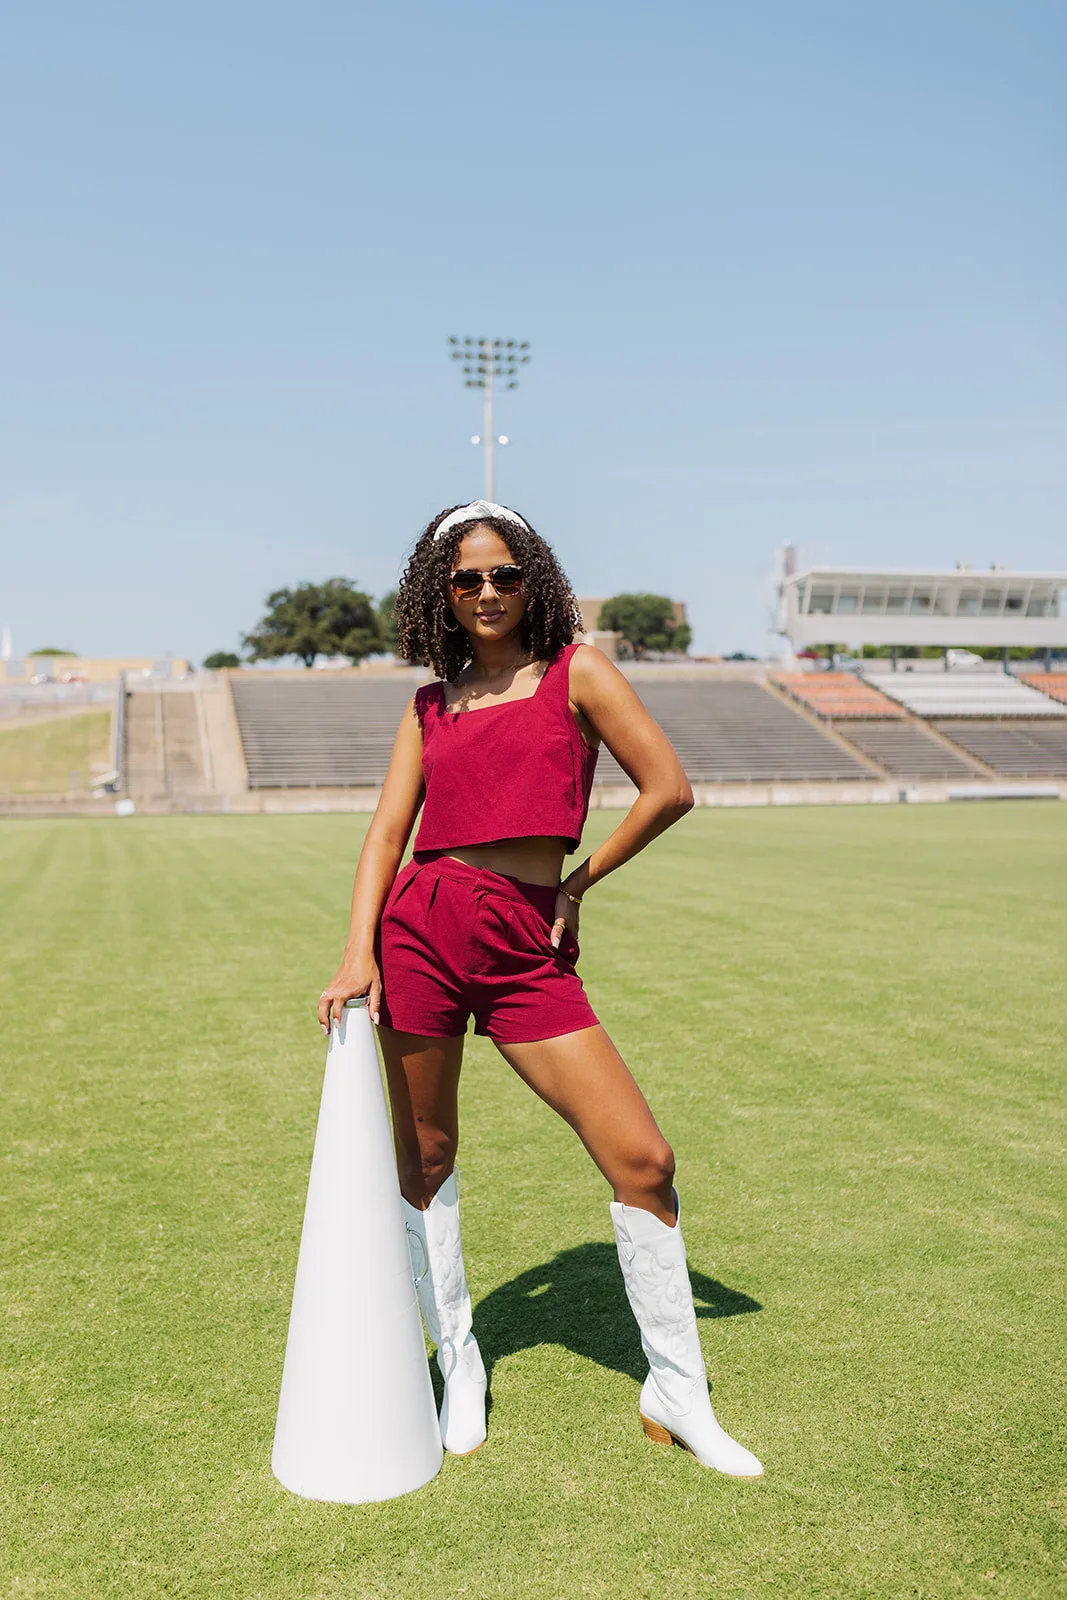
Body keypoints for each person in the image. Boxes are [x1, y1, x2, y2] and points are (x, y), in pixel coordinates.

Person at [318, 500, 762, 1479]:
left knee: (642, 1159)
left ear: (536, 581)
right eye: (465, 578)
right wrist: (359, 951)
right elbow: (384, 835)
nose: (485, 592)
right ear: (441, 590)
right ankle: (462, 1365)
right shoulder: (427, 705)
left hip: (524, 943)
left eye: (503, 575)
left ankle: (675, 1394)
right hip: (421, 927)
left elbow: (667, 788)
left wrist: (576, 880)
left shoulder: (578, 672)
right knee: (424, 1158)